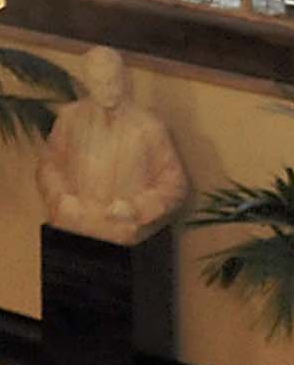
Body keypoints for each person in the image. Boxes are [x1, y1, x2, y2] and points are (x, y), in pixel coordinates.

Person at [37, 47, 187, 244]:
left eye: (113, 81)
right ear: (88, 83)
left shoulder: (148, 128)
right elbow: (48, 166)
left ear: (123, 80)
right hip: (74, 227)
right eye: (99, 83)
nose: (108, 90)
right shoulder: (70, 119)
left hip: (122, 235)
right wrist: (61, 197)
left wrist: (135, 207)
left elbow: (174, 185)